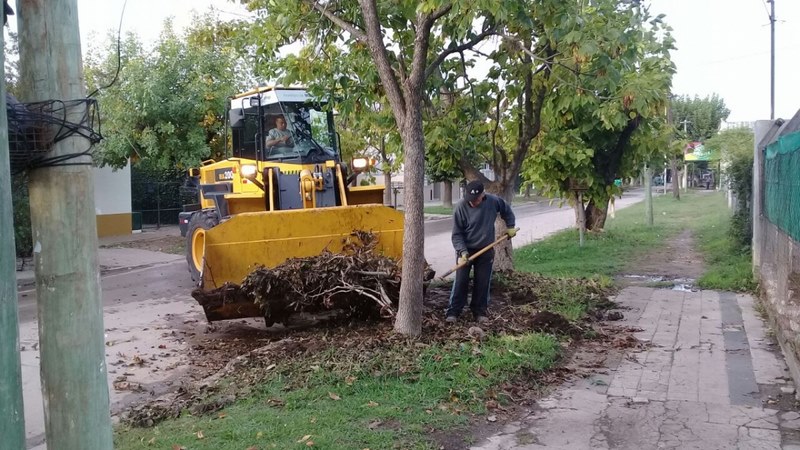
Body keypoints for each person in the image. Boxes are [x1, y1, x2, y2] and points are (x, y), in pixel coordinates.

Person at [446, 180, 516, 324]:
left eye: (476, 200)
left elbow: (506, 210)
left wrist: (510, 226)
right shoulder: (461, 207)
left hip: (486, 249)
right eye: (470, 200)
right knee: (461, 281)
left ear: (483, 195)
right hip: (466, 249)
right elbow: (456, 234)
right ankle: (454, 311)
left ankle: (479, 311)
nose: (473, 203)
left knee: (483, 282)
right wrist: (462, 252)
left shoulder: (493, 201)